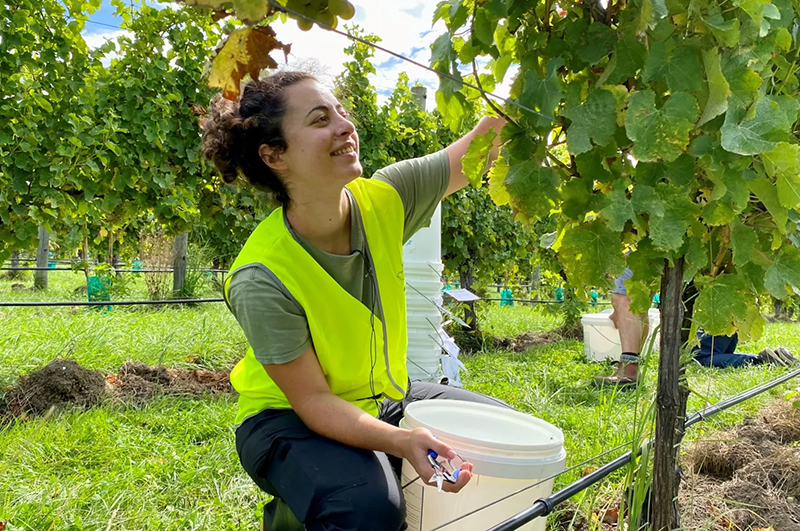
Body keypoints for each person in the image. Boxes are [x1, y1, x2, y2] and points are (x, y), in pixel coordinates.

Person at [202, 71, 508, 531]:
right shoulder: (261, 275)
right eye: (320, 119)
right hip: (286, 420)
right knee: (367, 510)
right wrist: (400, 442)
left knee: (498, 434)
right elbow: (314, 403)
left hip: (377, 398)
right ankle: (296, 516)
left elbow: (477, 151)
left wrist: (540, 81)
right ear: (274, 155)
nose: (345, 126)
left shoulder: (386, 198)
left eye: (341, 112)